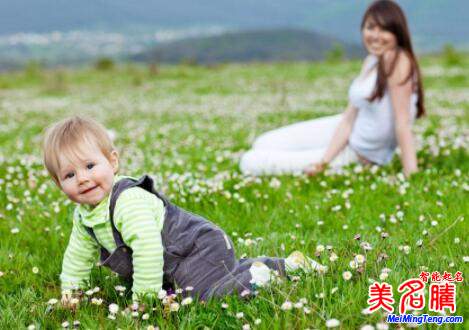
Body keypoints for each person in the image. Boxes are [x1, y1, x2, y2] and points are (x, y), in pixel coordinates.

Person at [42, 116, 325, 306]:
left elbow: (149, 249)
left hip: (197, 248)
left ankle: (269, 273)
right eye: (69, 175)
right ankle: (268, 265)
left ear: (112, 162)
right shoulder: (85, 216)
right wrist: (71, 292)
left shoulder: (127, 202)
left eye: (90, 166)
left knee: (206, 295)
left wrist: (145, 299)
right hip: (173, 264)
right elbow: (77, 257)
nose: (82, 178)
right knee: (182, 291)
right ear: (58, 183)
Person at [240, 0, 424, 177]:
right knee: (263, 142)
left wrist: (411, 174)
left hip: (360, 152)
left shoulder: (398, 62)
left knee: (249, 162)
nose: (375, 35)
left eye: (384, 29)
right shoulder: (372, 60)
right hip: (343, 129)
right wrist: (325, 160)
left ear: (398, 33)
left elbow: (402, 123)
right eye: (370, 27)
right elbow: (349, 119)